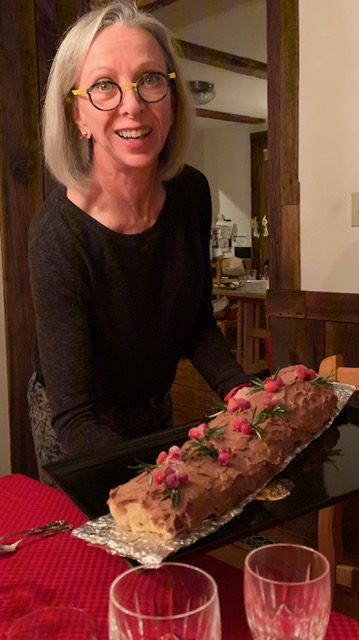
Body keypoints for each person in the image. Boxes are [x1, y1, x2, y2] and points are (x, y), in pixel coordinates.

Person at [28, 0, 252, 477]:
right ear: (78, 115)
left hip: (155, 409)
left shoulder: (191, 192)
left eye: (150, 79)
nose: (132, 104)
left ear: (171, 101)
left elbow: (195, 323)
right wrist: (164, 482)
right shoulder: (56, 237)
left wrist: (242, 393)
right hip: (77, 429)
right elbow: (74, 414)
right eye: (105, 85)